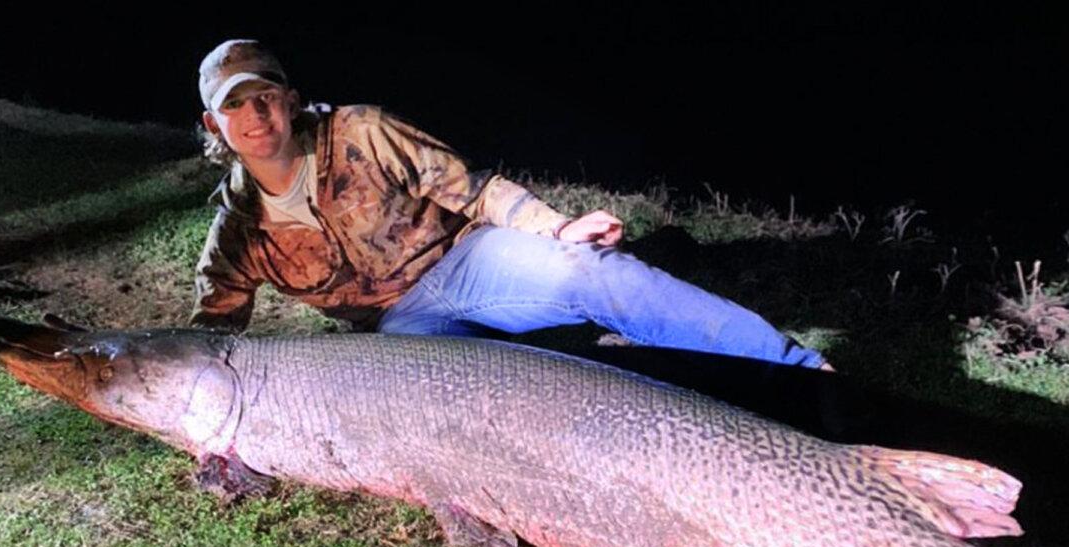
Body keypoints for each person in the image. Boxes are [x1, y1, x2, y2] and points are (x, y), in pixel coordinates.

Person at [192, 39, 829, 370]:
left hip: (470, 261)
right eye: (234, 105)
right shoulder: (239, 231)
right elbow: (209, 332)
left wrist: (559, 227)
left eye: (264, 96)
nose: (254, 115)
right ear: (214, 124)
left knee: (590, 272)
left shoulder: (362, 131)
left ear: (290, 97)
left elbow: (474, 189)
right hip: (401, 331)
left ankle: (797, 369)